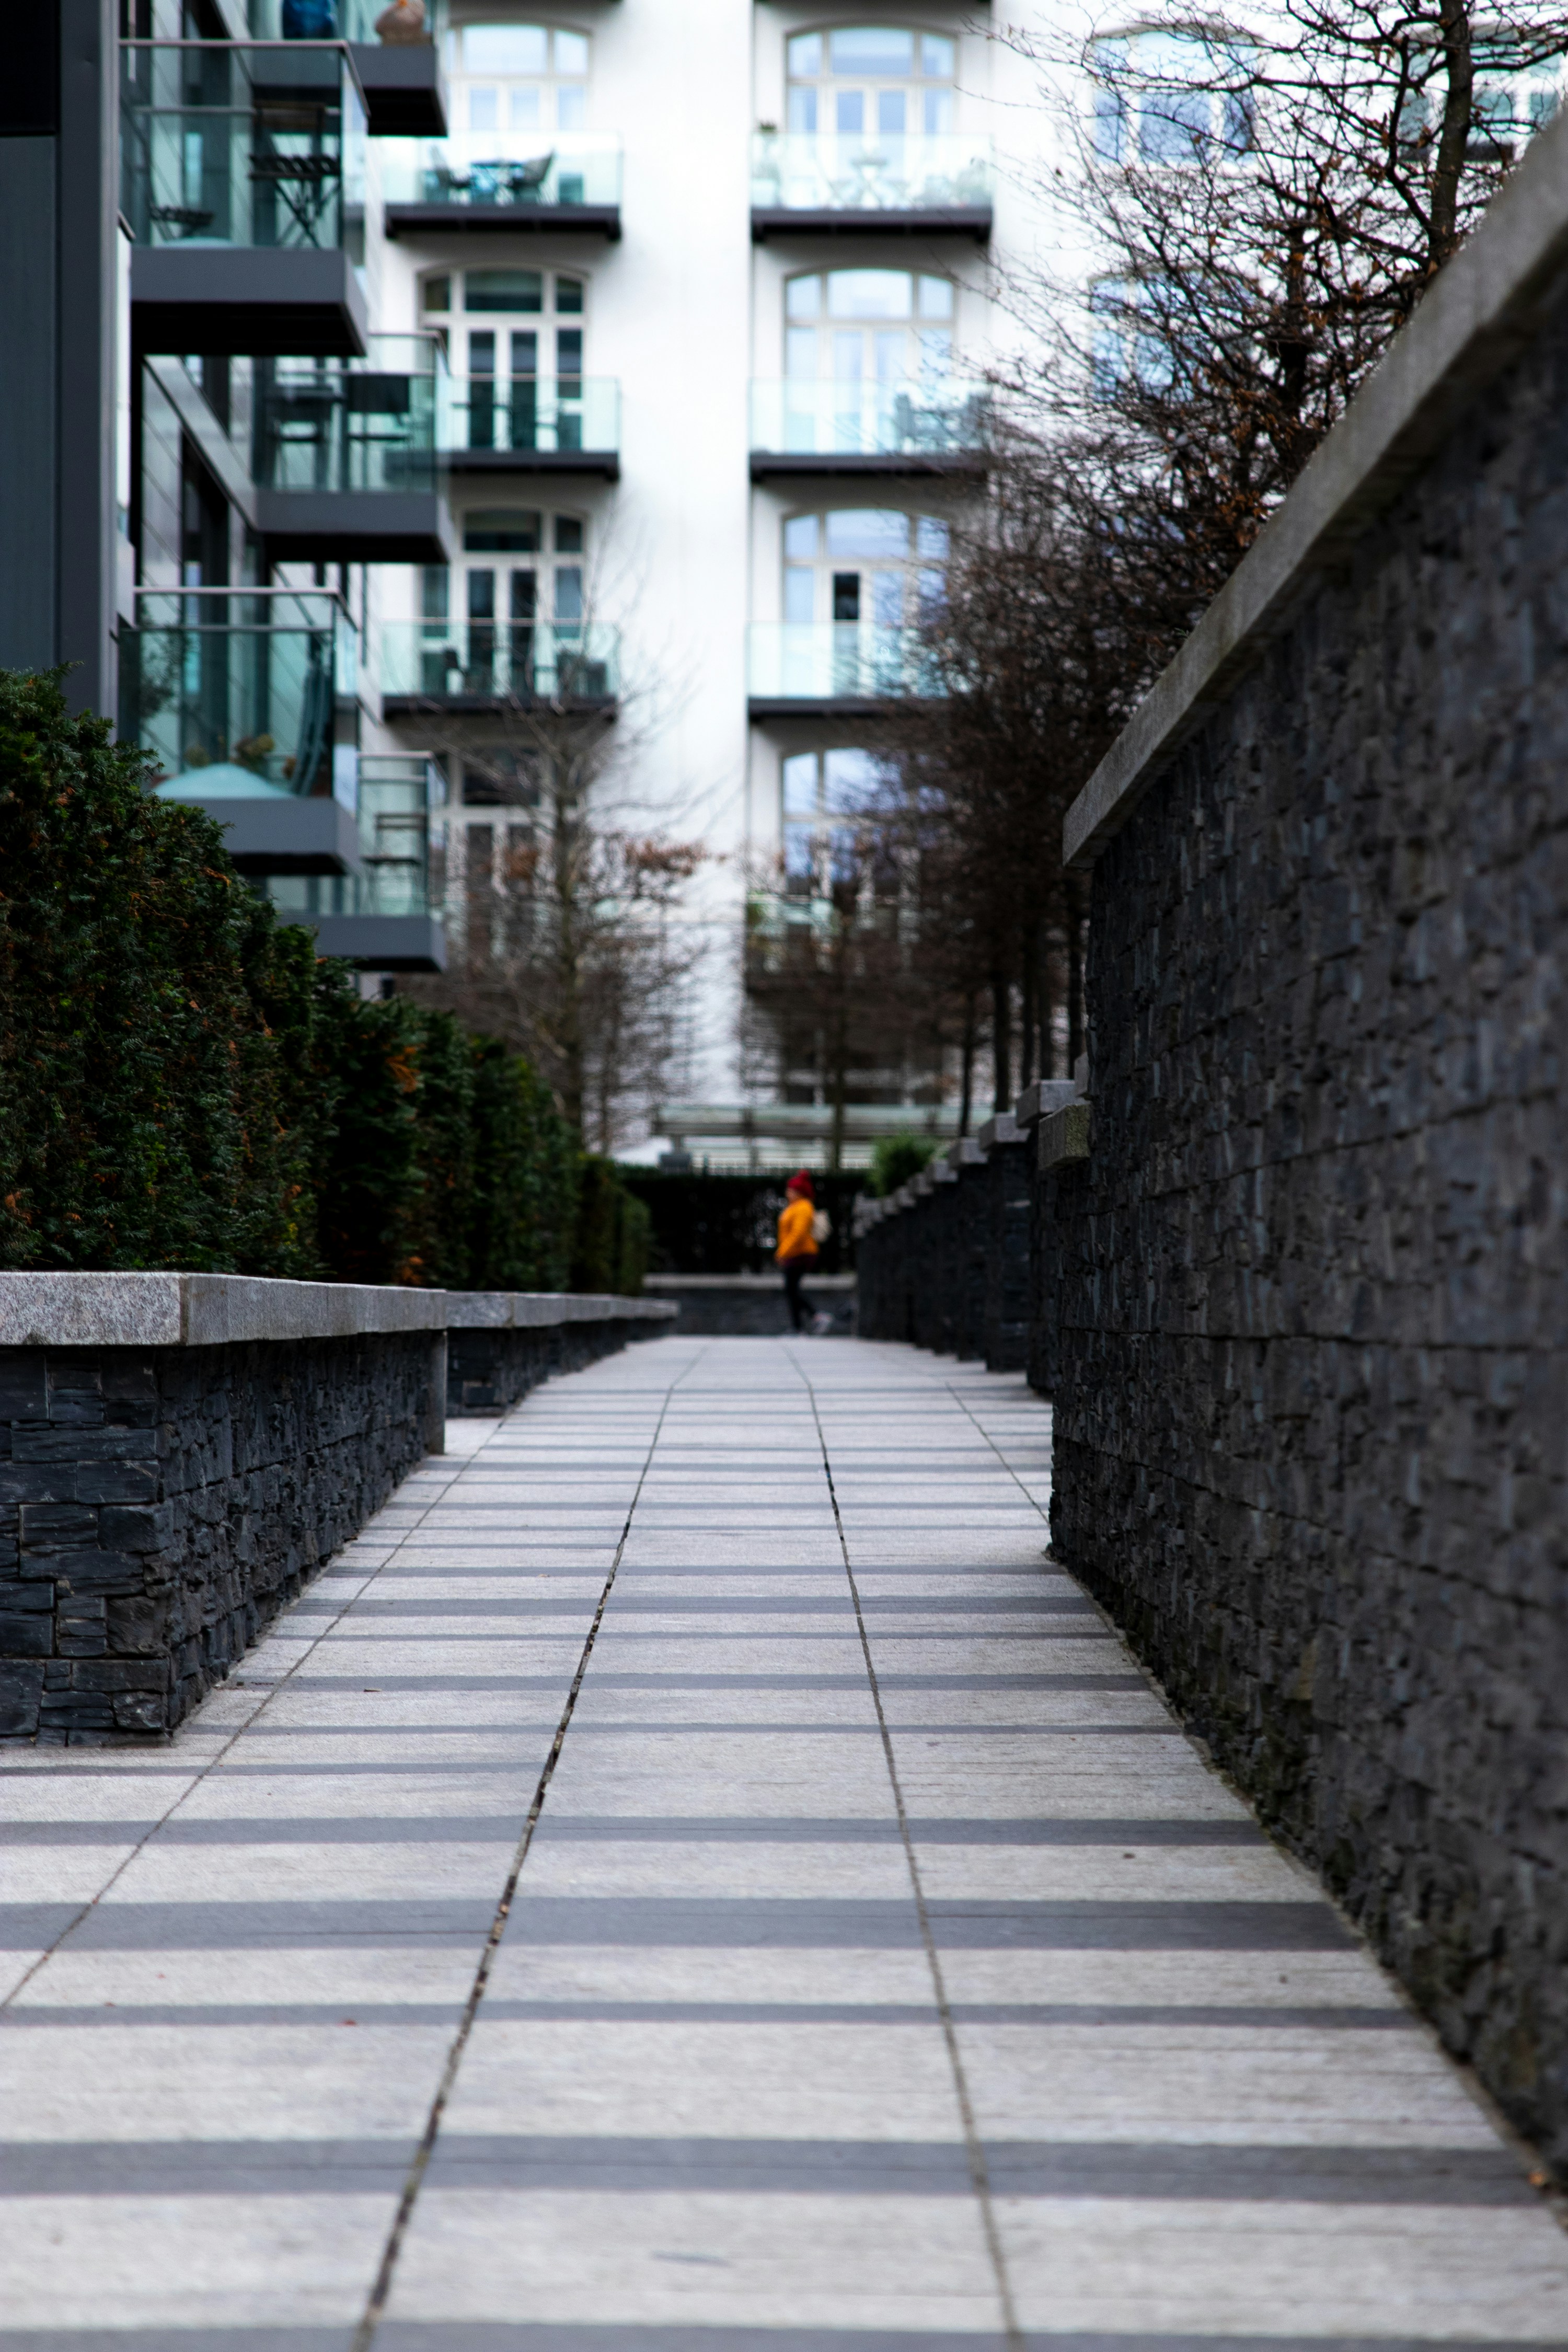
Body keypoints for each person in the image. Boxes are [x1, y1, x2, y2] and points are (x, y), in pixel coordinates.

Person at [776, 1170, 820, 1334]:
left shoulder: (804, 1207)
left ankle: (812, 1318)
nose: (788, 1193)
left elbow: (798, 1234)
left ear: (799, 1192)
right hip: (794, 1254)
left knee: (791, 1289)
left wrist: (782, 1252)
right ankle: (799, 1326)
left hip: (801, 1254)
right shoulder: (795, 1207)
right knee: (791, 1289)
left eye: (791, 1190)